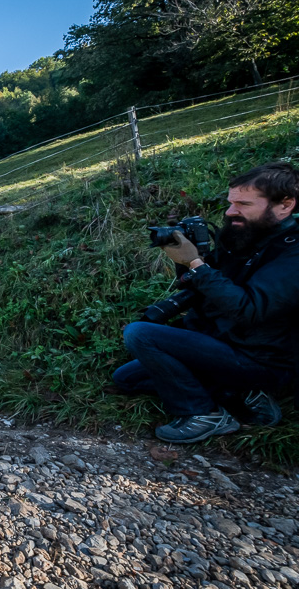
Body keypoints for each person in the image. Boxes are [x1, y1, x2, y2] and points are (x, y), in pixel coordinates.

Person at [113, 161, 299, 444]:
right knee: (127, 379)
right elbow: (205, 286)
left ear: (285, 206)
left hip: (261, 358)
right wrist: (187, 260)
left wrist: (196, 263)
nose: (230, 212)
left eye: (243, 204)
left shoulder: (293, 252)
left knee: (140, 334)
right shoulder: (243, 234)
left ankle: (202, 414)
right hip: (222, 340)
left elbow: (249, 309)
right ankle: (235, 393)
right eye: (230, 202)